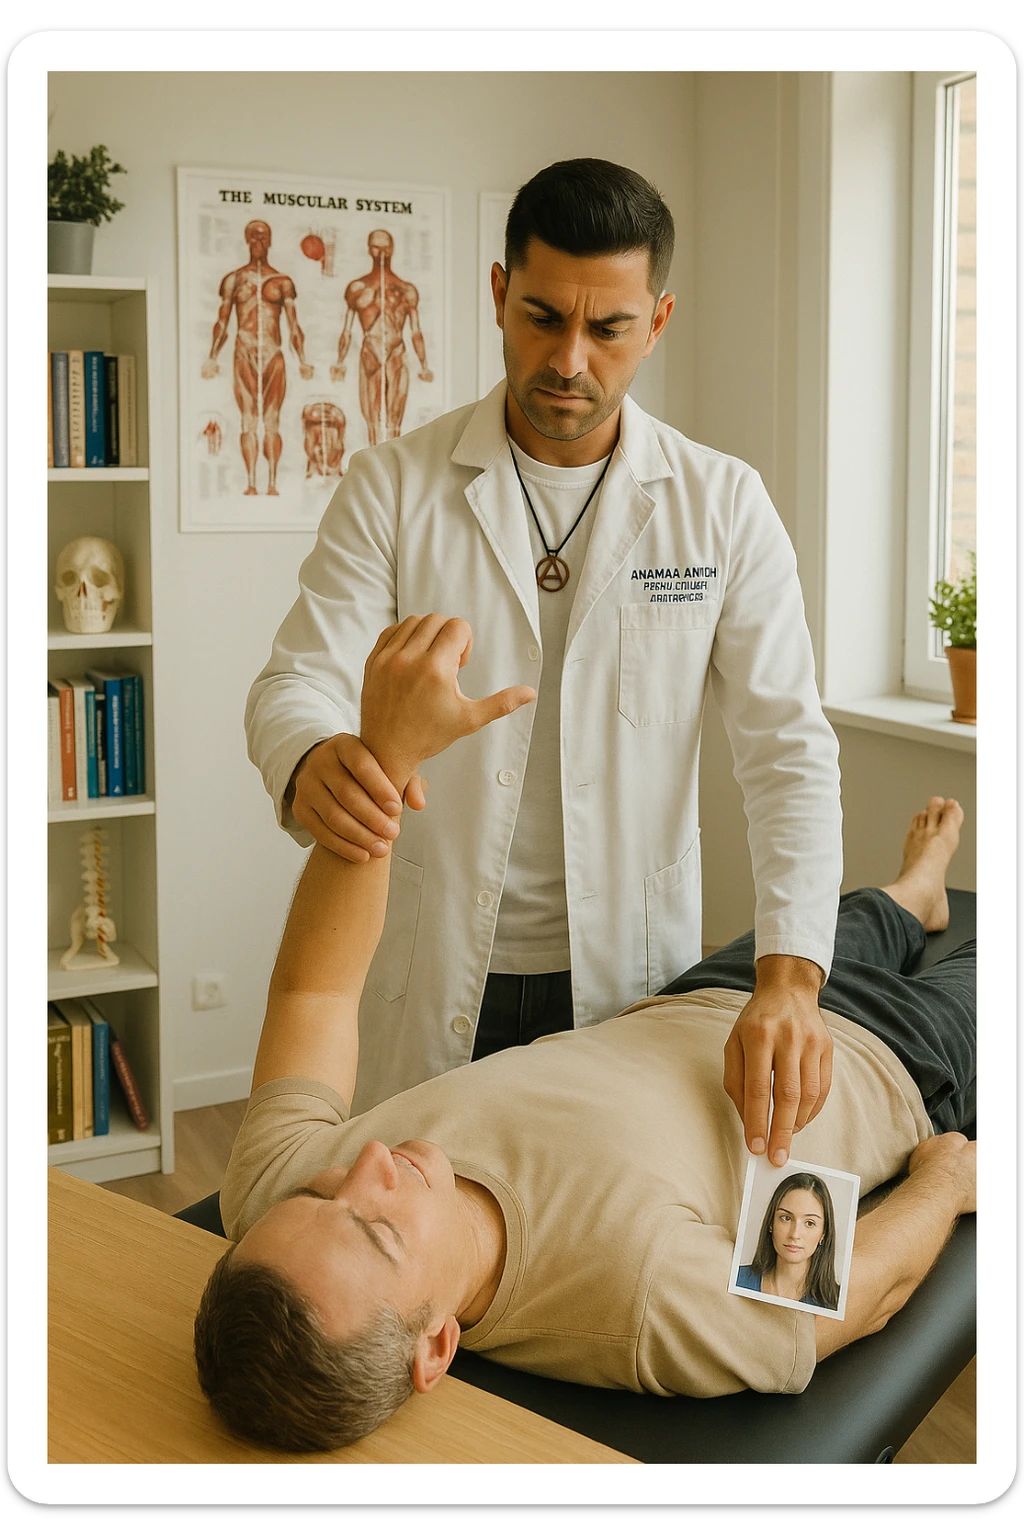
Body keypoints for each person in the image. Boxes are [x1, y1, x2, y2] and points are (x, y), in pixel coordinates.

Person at [197, 615, 976, 1455]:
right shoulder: (634, 1301)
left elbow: (315, 991)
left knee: (856, 914)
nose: (370, 1164)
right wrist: (942, 1181)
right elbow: (859, 1297)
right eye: (379, 1228)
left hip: (717, 998)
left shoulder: (271, 1191)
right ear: (436, 1348)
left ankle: (918, 886)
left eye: (323, 1194)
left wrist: (384, 761)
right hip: (892, 1062)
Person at [245, 156, 843, 1165]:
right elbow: (295, 678)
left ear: (655, 322)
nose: (568, 359)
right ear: (496, 294)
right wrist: (310, 759)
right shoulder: (394, 486)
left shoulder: (722, 504)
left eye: (606, 328)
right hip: (434, 962)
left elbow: (786, 748)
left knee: (596, 1245)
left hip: (624, 970)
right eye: (540, 317)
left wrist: (788, 978)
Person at [202, 219, 315, 495]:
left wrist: (301, 359)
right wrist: (212, 357)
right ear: (246, 239)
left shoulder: (282, 282)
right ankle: (251, 483)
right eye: (253, 237)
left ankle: (273, 483)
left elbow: (293, 323)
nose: (258, 242)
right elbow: (223, 320)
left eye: (263, 237)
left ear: (271, 241)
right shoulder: (234, 279)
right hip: (244, 348)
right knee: (248, 418)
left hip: (274, 353)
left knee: (272, 419)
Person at [330, 228, 433, 444]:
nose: (381, 252)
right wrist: (339, 361)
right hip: (370, 353)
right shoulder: (357, 288)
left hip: (397, 353)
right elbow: (347, 329)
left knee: (395, 421)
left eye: (385, 247)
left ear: (393, 249)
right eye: (376, 247)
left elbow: (416, 331)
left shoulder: (406, 290)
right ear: (369, 249)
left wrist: (424, 365)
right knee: (372, 419)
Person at [735, 1172, 841, 1310]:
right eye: (786, 1218)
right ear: (771, 1224)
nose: (795, 1234)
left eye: (809, 1223)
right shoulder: (736, 1278)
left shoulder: (835, 1302)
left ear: (823, 1233)